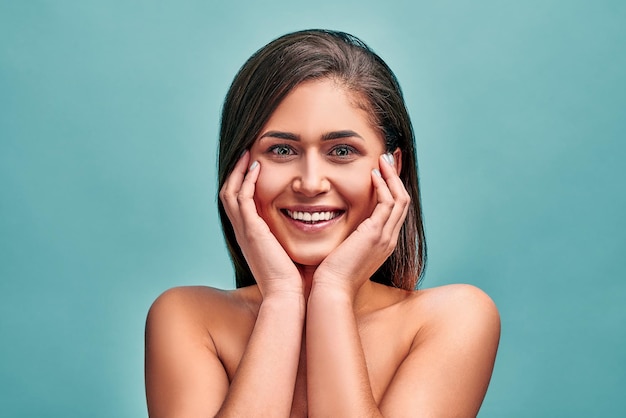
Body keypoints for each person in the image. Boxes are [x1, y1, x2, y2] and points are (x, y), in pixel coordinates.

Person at [144, 29, 500, 417]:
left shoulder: (452, 320)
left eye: (342, 151)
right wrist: (281, 298)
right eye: (282, 150)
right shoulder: (188, 319)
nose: (310, 183)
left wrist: (332, 292)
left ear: (392, 169)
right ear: (239, 166)